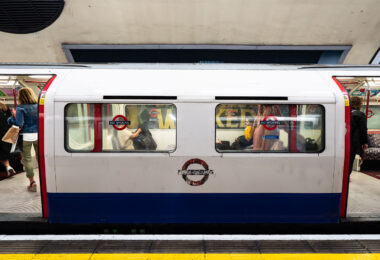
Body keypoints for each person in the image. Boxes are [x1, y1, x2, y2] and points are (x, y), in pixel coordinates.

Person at [8, 87, 38, 192]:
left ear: (21, 96)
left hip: (26, 136)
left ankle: (32, 182)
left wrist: (12, 117)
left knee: (27, 159)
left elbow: (19, 124)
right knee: (41, 158)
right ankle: (45, 181)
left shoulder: (20, 108)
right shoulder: (38, 106)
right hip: (39, 135)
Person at [349, 96, 368, 176]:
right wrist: (365, 142)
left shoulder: (345, 113)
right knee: (350, 160)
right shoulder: (360, 115)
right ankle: (347, 177)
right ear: (359, 104)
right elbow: (363, 130)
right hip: (354, 141)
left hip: (343, 140)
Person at [0, 102, 15, 176]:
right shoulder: (4, 106)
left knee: (2, 153)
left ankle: (8, 167)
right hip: (6, 133)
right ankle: (8, 166)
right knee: (4, 151)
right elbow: (10, 119)